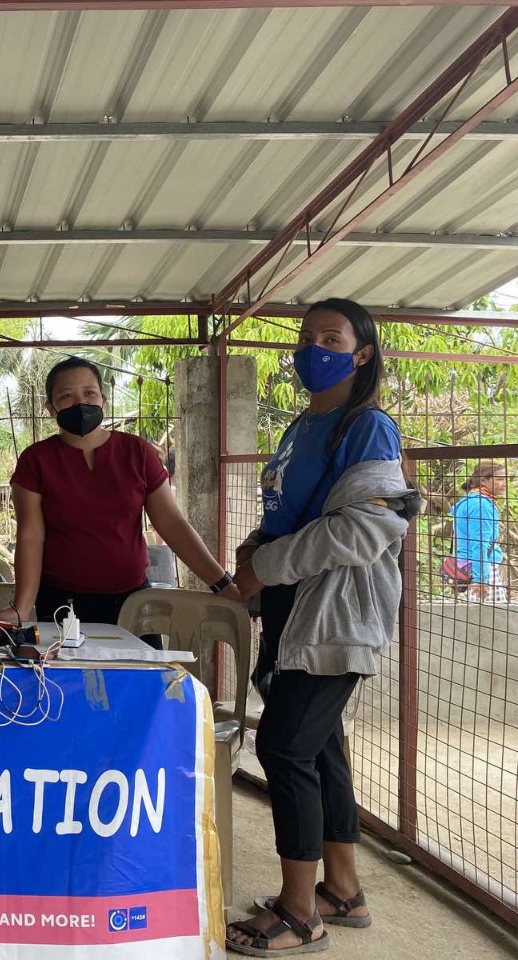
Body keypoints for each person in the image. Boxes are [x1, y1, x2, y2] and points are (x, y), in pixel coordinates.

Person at [227, 298, 420, 956]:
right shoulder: (300, 429)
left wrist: (269, 564)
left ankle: (299, 912)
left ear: (361, 352)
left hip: (334, 612)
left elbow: (372, 526)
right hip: (292, 606)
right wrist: (254, 550)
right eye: (306, 336)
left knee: (283, 748)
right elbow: (289, 515)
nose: (314, 346)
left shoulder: (368, 427)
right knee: (320, 746)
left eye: (331, 337)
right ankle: (343, 889)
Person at [0, 357, 238, 641]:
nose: (80, 403)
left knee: (140, 683)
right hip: (62, 606)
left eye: (89, 393)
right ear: (52, 409)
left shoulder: (137, 453)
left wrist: (221, 583)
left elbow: (172, 525)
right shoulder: (36, 461)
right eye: (67, 396)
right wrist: (21, 609)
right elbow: (30, 536)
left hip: (133, 604)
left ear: (103, 399)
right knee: (66, 685)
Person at [451, 460, 507, 602]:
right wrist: (481, 579)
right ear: (483, 481)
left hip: (467, 565)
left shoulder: (470, 500)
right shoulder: (481, 504)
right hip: (481, 569)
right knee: (494, 619)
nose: (504, 483)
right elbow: (479, 544)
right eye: (500, 479)